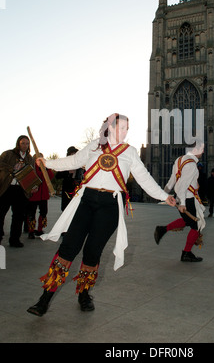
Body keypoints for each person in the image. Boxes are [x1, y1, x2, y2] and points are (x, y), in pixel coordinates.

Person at [27, 113, 176, 317]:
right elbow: (73, 161)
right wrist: (48, 163)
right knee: (68, 247)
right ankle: (44, 299)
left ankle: (84, 294)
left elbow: (144, 178)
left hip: (110, 206)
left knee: (92, 251)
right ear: (111, 127)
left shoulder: (130, 152)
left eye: (127, 128)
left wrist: (163, 196)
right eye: (121, 127)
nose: (125, 132)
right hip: (87, 201)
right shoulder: (95, 145)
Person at [154, 144, 206, 262]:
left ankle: (162, 229)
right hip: (187, 198)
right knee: (196, 226)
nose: (203, 152)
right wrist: (182, 203)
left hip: (183, 197)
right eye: (201, 150)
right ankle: (186, 253)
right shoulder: (192, 165)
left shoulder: (179, 159)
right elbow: (182, 185)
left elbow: (173, 179)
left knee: (188, 221)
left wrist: (164, 194)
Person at [0, 135, 34, 247]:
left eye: (27, 143)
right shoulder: (8, 154)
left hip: (21, 190)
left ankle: (15, 239)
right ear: (18, 143)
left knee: (18, 216)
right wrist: (12, 167)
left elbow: (32, 174)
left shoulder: (29, 158)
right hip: (7, 188)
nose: (25, 145)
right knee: (1, 213)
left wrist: (33, 186)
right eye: (23, 143)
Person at [26, 154, 54, 239]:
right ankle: (31, 231)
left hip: (43, 195)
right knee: (31, 214)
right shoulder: (32, 168)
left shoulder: (46, 168)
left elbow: (51, 176)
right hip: (34, 195)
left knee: (43, 213)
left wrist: (46, 168)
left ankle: (39, 230)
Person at [55, 146, 84, 212]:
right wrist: (68, 172)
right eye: (72, 154)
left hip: (77, 191)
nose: (74, 156)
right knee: (65, 210)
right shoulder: (65, 165)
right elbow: (57, 176)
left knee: (75, 211)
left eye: (75, 154)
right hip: (67, 191)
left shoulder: (81, 165)